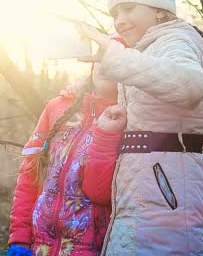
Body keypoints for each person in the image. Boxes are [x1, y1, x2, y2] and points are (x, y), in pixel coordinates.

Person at [75, 0, 203, 255]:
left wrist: (118, 59)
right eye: (115, 13)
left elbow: (191, 86)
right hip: (148, 195)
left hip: (167, 197)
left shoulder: (176, 40)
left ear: (159, 9)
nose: (120, 20)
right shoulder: (148, 50)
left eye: (129, 8)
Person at [7, 36, 128, 256]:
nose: (105, 65)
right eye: (101, 57)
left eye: (115, 59)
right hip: (38, 245)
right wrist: (20, 238)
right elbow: (30, 176)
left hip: (94, 249)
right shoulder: (58, 107)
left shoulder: (130, 120)